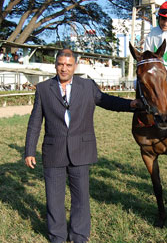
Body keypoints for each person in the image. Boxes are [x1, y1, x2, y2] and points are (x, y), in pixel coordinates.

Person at [24, 49, 141, 243]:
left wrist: (131, 105)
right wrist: (29, 150)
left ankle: (79, 235)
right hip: (54, 151)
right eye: (61, 64)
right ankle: (58, 236)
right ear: (55, 65)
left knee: (81, 198)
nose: (64, 68)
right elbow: (35, 121)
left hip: (81, 150)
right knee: (54, 199)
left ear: (75, 66)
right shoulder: (44, 89)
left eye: (68, 65)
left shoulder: (87, 86)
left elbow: (107, 101)